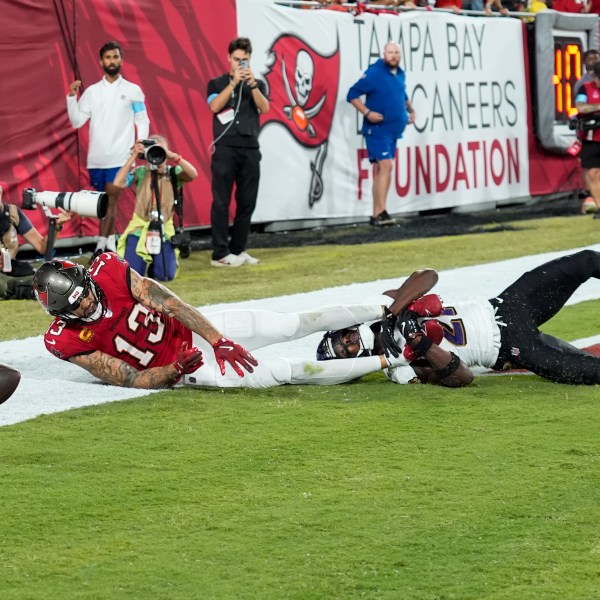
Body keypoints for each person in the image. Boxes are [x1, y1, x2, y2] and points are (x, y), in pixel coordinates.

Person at [32, 252, 416, 388]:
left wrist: (218, 340)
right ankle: (392, 359)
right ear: (61, 313)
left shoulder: (109, 270)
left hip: (198, 332)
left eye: (84, 291)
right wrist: (172, 371)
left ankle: (383, 309)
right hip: (185, 369)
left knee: (288, 325)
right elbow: (129, 377)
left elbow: (170, 304)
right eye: (76, 304)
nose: (86, 302)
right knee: (280, 372)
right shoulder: (63, 340)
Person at [319, 250, 600, 386]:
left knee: (586, 261)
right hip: (511, 347)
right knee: (592, 371)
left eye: (341, 336)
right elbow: (463, 378)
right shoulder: (400, 368)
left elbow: (429, 275)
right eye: (346, 348)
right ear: (355, 361)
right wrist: (419, 343)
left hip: (505, 306)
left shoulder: (385, 304)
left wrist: (396, 314)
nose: (348, 339)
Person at [67, 40, 150, 261]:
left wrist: (140, 145)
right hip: (97, 159)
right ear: (101, 61)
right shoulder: (92, 92)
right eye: (108, 58)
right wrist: (70, 97)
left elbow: (142, 119)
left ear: (121, 59)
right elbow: (76, 122)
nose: (112, 61)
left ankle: (101, 246)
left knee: (111, 201)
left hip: (122, 157)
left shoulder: (133, 91)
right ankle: (111, 247)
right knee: (103, 203)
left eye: (115, 57)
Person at [207, 37, 270, 268]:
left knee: (247, 202)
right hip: (225, 148)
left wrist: (252, 85)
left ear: (250, 59)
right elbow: (214, 106)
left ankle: (238, 248)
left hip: (251, 148)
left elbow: (265, 108)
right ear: (228, 58)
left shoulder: (258, 84)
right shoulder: (216, 83)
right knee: (221, 201)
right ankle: (220, 253)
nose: (240, 64)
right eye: (236, 59)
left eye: (244, 60)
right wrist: (233, 83)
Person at [347, 41, 416, 227]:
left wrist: (410, 110)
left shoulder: (399, 74)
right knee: (385, 165)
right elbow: (352, 94)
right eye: (390, 52)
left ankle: (378, 213)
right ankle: (380, 211)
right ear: (383, 54)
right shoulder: (375, 73)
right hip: (377, 130)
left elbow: (402, 95)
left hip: (392, 131)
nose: (393, 55)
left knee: (383, 169)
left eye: (397, 52)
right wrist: (367, 112)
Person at [114, 135, 198, 281]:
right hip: (140, 228)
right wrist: (134, 156)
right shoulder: (141, 172)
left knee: (166, 275)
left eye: (161, 151)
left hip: (164, 228)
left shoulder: (174, 173)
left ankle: (155, 267)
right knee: (132, 275)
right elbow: (118, 183)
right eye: (154, 151)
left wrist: (173, 155)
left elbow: (193, 174)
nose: (158, 155)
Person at [0, 185, 70, 299]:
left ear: (1, 193)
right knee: (1, 285)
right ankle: (24, 289)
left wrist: (57, 225)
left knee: (48, 278)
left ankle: (20, 288)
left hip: (11, 268)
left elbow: (42, 247)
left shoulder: (13, 213)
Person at [575, 61, 600, 216]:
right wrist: (597, 107)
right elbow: (580, 106)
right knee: (592, 173)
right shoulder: (585, 88)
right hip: (592, 138)